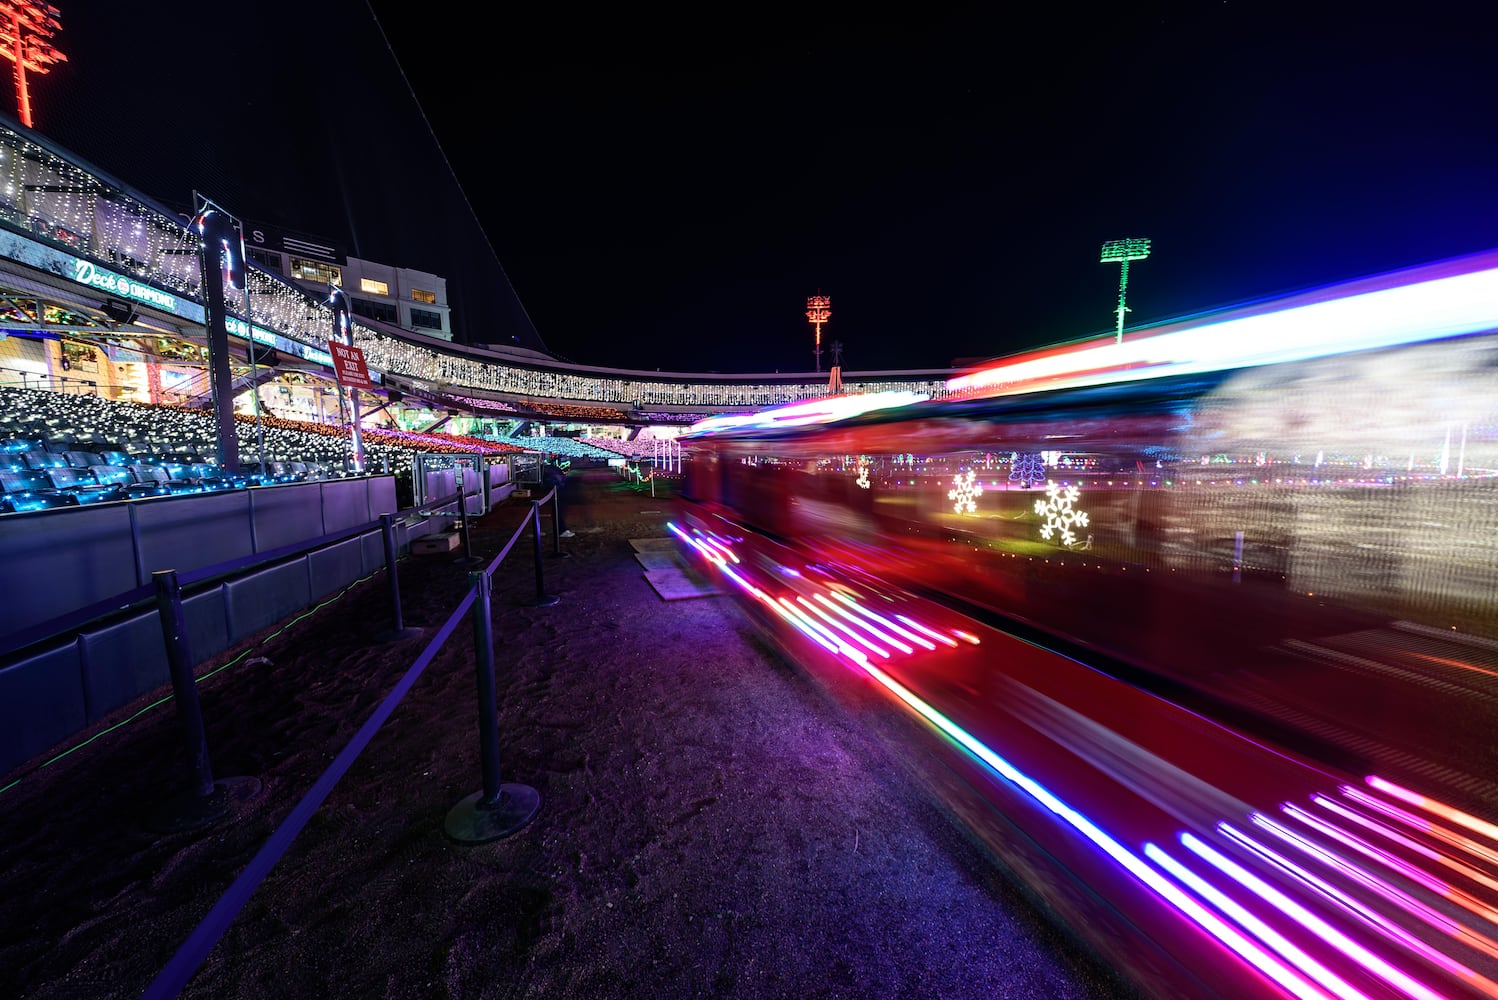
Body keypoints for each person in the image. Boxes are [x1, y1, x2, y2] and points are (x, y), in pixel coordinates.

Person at [542, 455, 574, 537]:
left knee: (555, 512)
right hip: (555, 495)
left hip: (552, 495)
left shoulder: (549, 469)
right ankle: (561, 531)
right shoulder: (552, 470)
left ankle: (543, 529)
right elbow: (557, 482)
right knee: (558, 513)